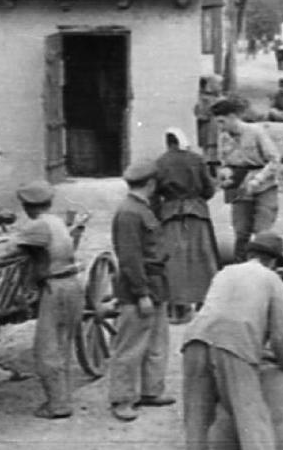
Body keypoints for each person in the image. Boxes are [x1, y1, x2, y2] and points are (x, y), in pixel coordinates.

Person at [181, 231, 283, 450]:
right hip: (233, 344)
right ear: (273, 261)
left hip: (195, 338)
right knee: (252, 417)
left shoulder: (225, 272)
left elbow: (216, 310)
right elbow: (281, 337)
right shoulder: (273, 280)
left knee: (197, 418)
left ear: (250, 254)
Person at [108, 160, 175, 422]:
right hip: (139, 288)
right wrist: (141, 293)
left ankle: (151, 391)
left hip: (156, 284)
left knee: (157, 342)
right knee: (131, 346)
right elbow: (130, 258)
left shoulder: (141, 209)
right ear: (150, 183)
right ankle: (122, 399)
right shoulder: (129, 213)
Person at [12, 180, 85, 420]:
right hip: (72, 284)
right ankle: (62, 397)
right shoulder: (55, 222)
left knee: (46, 349)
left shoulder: (37, 226)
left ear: (26, 206)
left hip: (56, 288)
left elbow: (28, 257)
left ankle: (58, 405)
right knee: (62, 345)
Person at [154, 127, 219, 323]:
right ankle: (204, 302)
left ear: (168, 143)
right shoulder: (197, 159)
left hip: (171, 213)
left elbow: (155, 193)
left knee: (174, 261)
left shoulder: (161, 162)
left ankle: (178, 308)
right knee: (202, 257)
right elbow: (209, 190)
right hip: (196, 212)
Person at [211, 97, 282, 262]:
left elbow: (275, 160)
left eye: (222, 122)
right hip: (239, 188)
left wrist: (258, 180)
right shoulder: (223, 137)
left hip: (264, 187)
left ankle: (265, 267)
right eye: (218, 123)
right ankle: (240, 265)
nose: (221, 127)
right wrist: (224, 174)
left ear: (233, 117)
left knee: (262, 231)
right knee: (241, 231)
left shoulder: (256, 132)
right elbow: (224, 161)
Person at [194, 75, 223, 172]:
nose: (220, 87)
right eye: (219, 84)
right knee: (210, 155)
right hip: (209, 132)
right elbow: (202, 114)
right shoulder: (205, 99)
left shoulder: (212, 98)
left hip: (215, 132)